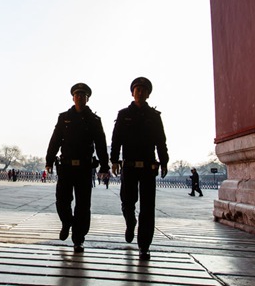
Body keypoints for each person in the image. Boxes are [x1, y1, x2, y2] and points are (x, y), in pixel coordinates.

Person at [46, 83, 110, 253]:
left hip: (84, 168)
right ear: (73, 97)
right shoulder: (64, 117)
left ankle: (78, 239)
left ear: (88, 98)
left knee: (82, 205)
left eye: (83, 95)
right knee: (62, 201)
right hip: (66, 167)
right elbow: (55, 140)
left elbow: (101, 144)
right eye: (77, 95)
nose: (80, 97)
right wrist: (49, 160)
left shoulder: (94, 120)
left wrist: (105, 164)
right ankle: (67, 222)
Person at [111, 77, 169, 260]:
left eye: (144, 90)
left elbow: (161, 141)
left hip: (147, 167)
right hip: (128, 166)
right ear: (132, 92)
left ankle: (144, 245)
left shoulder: (154, 116)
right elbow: (116, 140)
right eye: (138, 89)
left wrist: (164, 161)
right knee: (127, 201)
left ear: (148, 94)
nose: (140, 92)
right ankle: (130, 221)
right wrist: (113, 160)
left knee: (147, 207)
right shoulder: (123, 115)